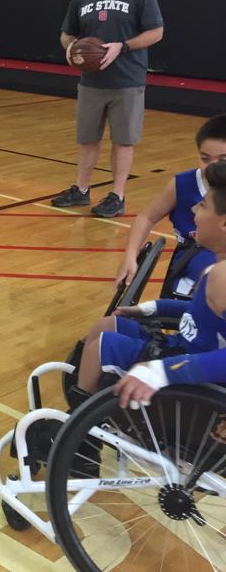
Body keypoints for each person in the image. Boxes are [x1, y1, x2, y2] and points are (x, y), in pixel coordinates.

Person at [77, 160, 226, 410]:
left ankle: (84, 436)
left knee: (102, 347)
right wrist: (154, 308)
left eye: (202, 205)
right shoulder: (217, 269)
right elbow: (201, 314)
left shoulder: (222, 277)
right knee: (107, 324)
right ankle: (84, 418)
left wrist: (164, 372)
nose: (192, 210)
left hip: (196, 375)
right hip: (184, 351)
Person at [53, 0, 164, 218]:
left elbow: (156, 32)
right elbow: (67, 32)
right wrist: (70, 47)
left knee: (123, 141)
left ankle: (117, 195)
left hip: (127, 81)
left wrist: (122, 46)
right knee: (87, 139)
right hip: (91, 82)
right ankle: (81, 190)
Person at [115, 115, 226, 298]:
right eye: (205, 158)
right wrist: (130, 254)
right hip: (188, 265)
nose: (211, 166)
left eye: (222, 160)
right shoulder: (181, 184)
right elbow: (146, 217)